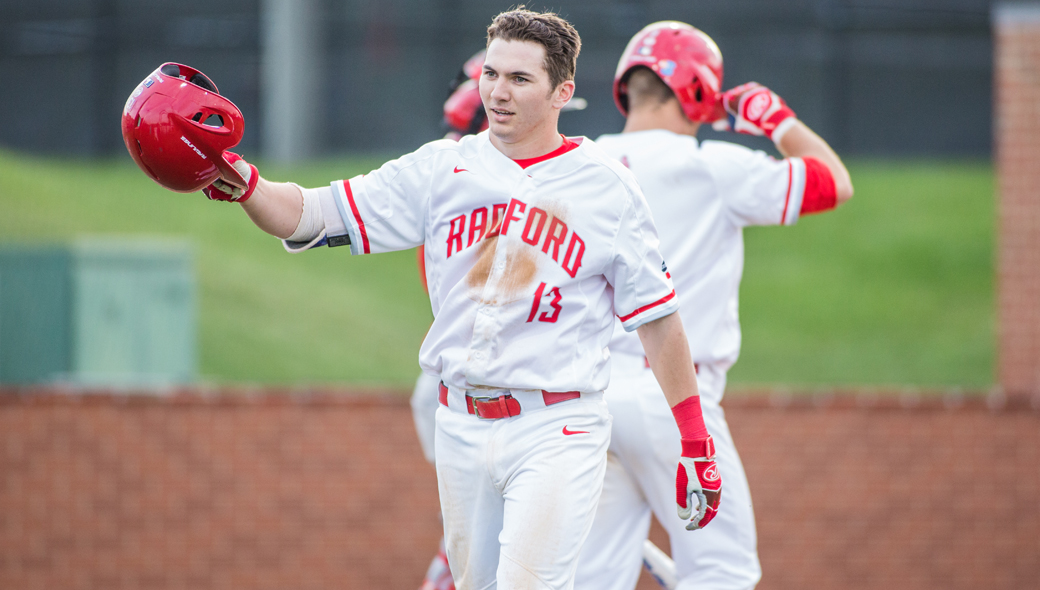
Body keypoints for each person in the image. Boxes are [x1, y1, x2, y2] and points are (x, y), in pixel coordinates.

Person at [202, 10, 722, 590]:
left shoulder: (607, 186)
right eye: (491, 74)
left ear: (562, 92)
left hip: (558, 425)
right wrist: (246, 183)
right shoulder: (441, 168)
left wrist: (695, 441)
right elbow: (311, 213)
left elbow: (659, 320)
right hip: (460, 424)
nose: (498, 92)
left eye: (520, 79)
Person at [572, 21, 853, 590]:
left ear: (627, 87)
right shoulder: (713, 165)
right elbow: (834, 183)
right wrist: (775, 119)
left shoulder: (579, 162)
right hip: (674, 398)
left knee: (593, 579)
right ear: (698, 90)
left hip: (587, 395)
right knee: (724, 572)